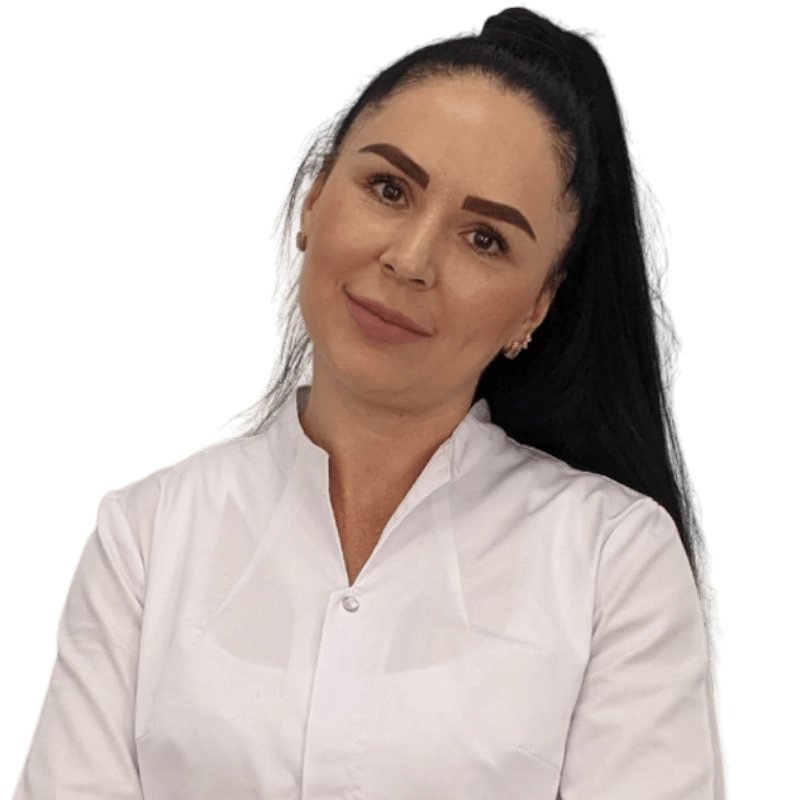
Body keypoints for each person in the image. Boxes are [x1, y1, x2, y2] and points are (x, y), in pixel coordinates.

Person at [13, 5, 729, 799]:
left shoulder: (613, 563)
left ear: (536, 307)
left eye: (485, 239)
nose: (411, 260)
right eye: (389, 188)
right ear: (316, 201)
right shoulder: (147, 538)